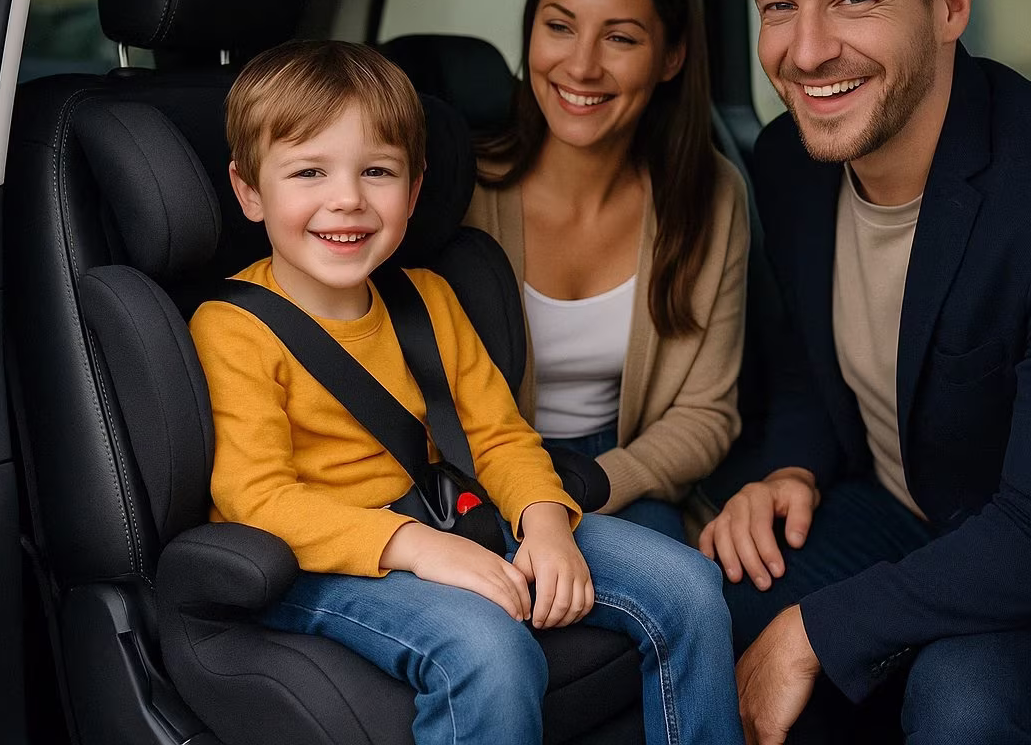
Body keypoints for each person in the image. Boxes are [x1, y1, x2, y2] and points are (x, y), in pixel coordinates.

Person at [190, 40, 742, 745]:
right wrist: (417, 547)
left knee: (691, 587)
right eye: (308, 172)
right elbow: (258, 500)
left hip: (452, 517)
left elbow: (500, 437)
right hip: (319, 561)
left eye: (378, 172)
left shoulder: (428, 298)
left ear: (415, 191)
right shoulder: (233, 328)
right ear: (249, 191)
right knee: (489, 649)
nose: (348, 199)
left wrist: (544, 524)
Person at [699, 0, 1031, 744]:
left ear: (951, 2)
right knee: (701, 602)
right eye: (779, 6)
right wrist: (792, 467)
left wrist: (816, 632)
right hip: (894, 509)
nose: (807, 52)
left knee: (962, 702)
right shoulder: (788, 160)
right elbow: (811, 367)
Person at [466, 0, 750, 543]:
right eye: (559, 27)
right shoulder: (459, 193)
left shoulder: (709, 194)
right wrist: (525, 497)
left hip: (622, 471)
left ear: (672, 56)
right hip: (473, 477)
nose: (583, 66)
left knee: (690, 585)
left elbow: (706, 412)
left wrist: (591, 485)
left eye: (620, 38)